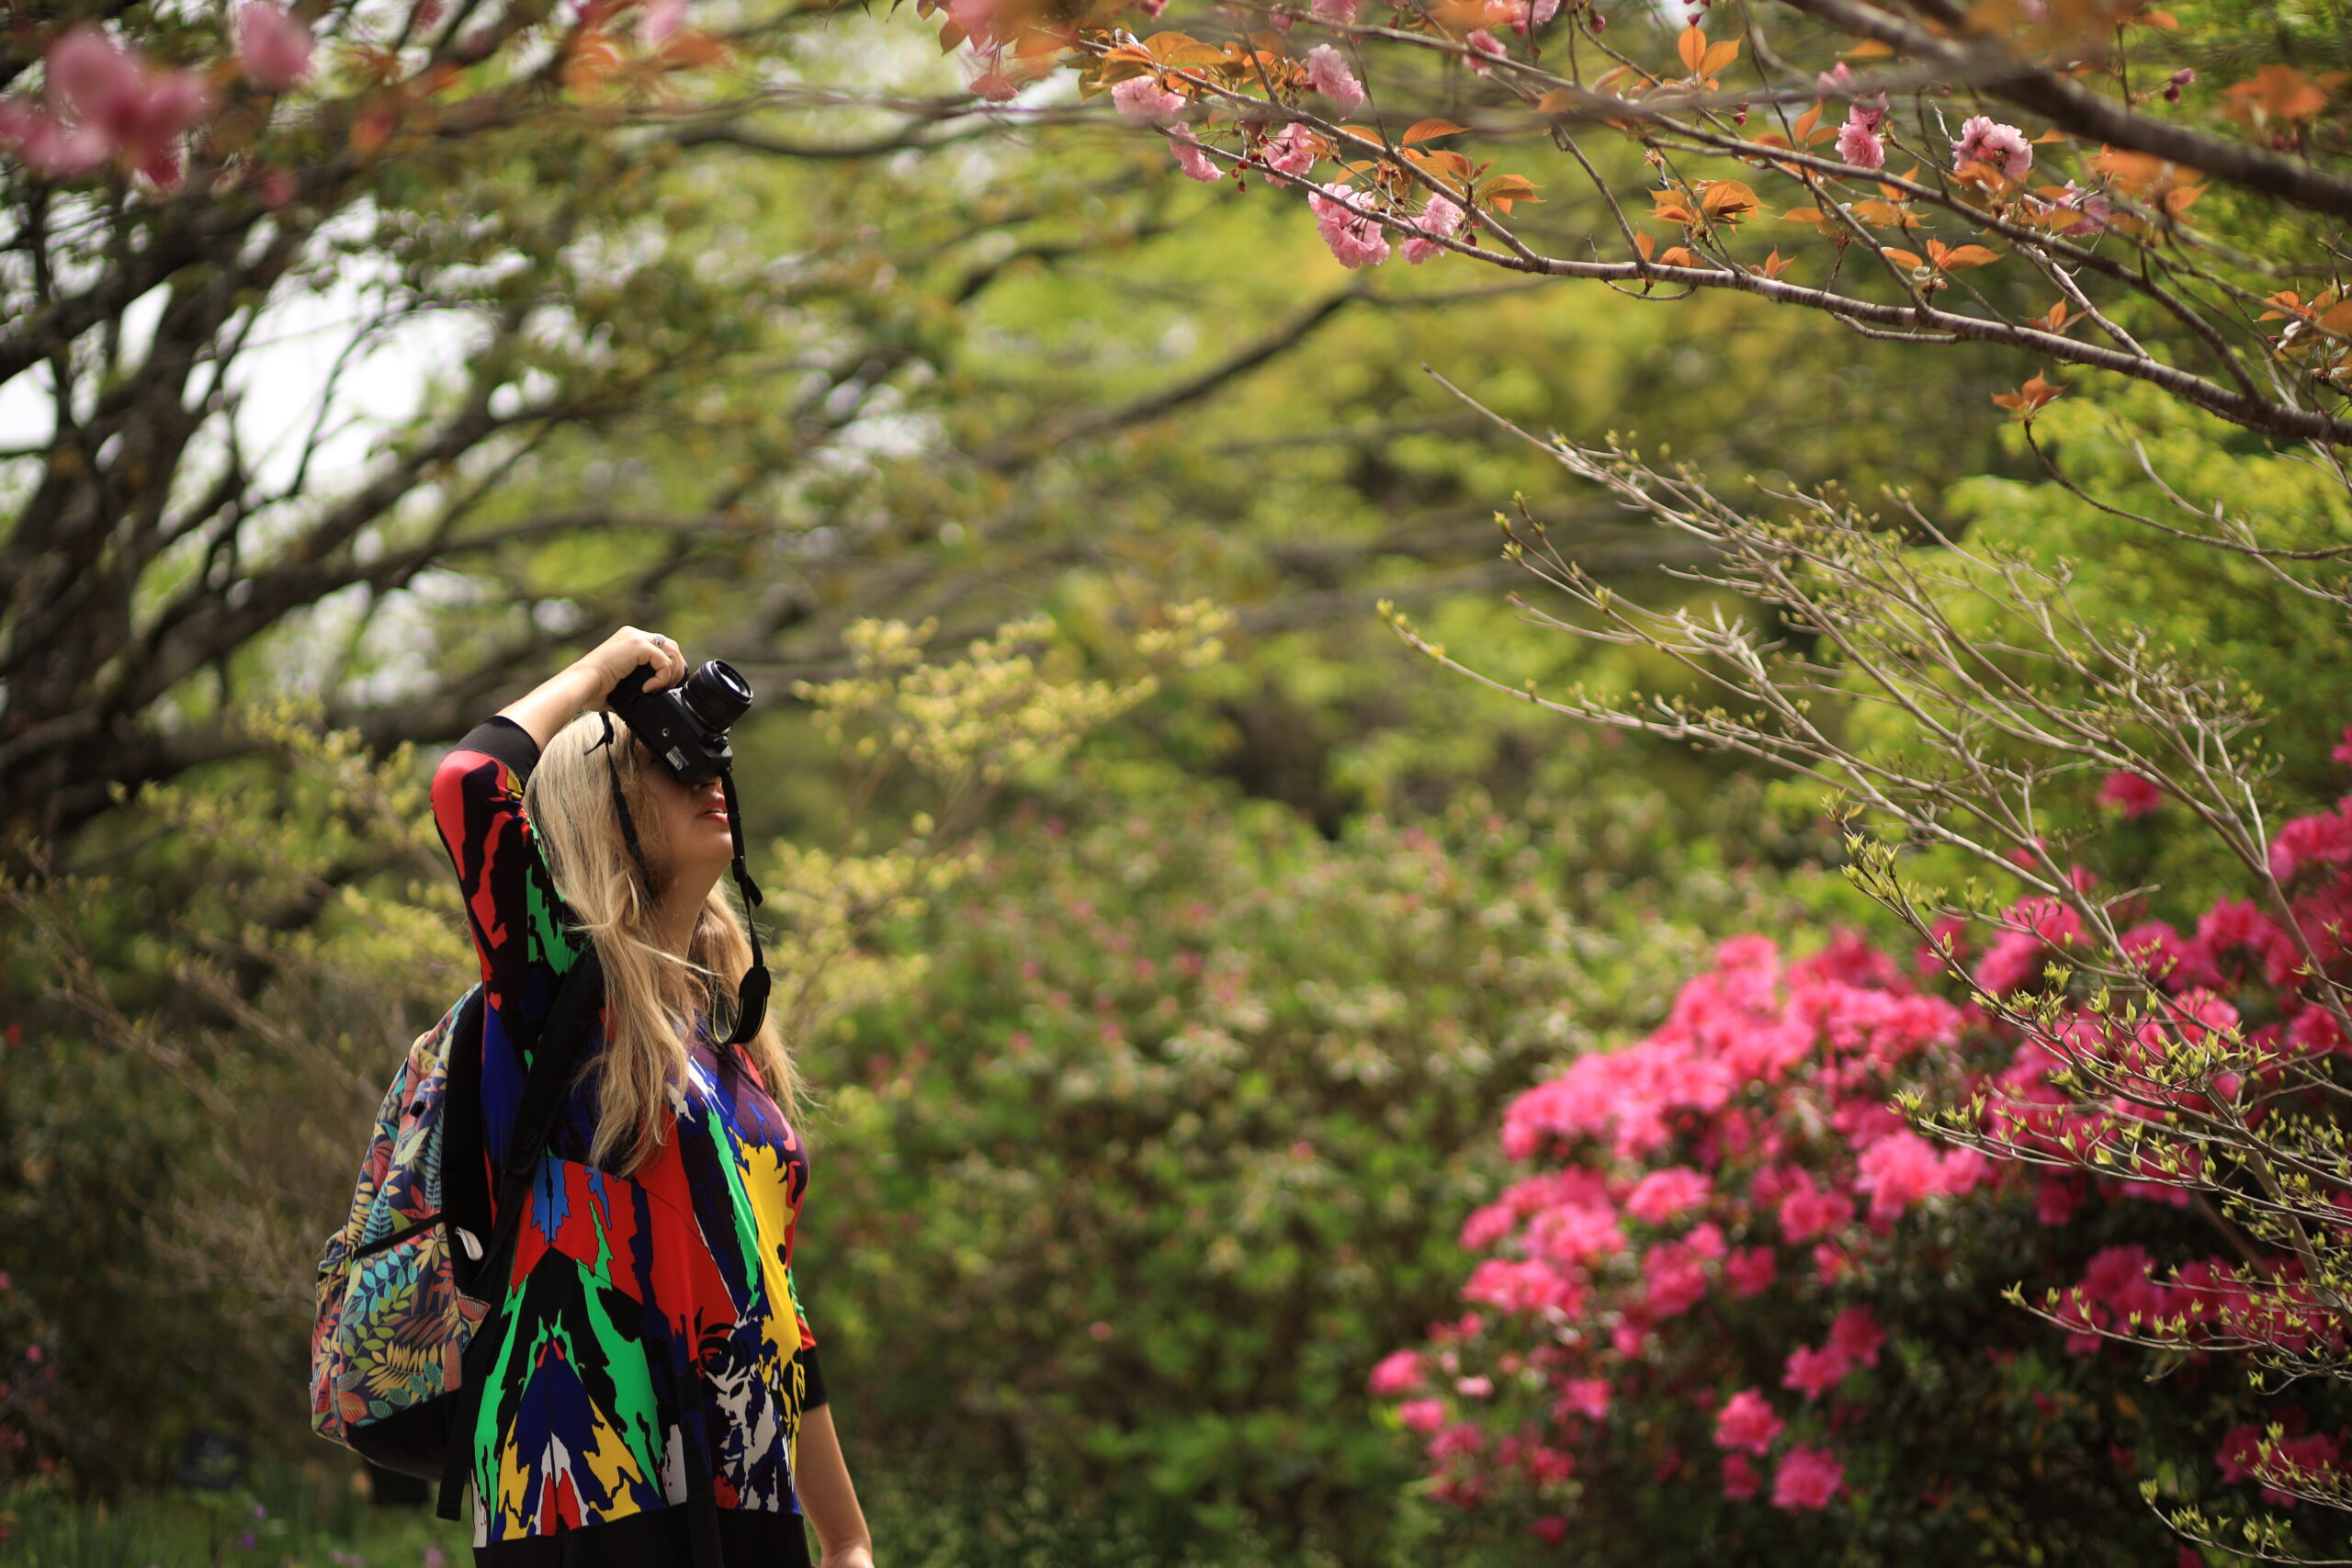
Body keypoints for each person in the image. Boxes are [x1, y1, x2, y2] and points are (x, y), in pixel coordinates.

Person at [430, 626, 872, 1568]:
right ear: (604, 805)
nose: (705, 770)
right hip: (586, 1480)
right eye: (663, 762)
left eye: (709, 756)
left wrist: (845, 1536)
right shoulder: (560, 992)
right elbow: (467, 784)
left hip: (740, 1474)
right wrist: (599, 676)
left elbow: (775, 1304)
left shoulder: (726, 1036)